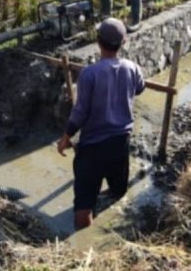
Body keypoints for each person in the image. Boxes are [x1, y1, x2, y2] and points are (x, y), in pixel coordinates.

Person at [57, 18, 146, 229]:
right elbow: (140, 88)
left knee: (83, 206)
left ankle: (83, 245)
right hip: (120, 144)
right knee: (118, 192)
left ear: (98, 42)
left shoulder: (90, 74)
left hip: (92, 148)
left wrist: (65, 139)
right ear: (123, 43)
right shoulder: (132, 68)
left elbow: (80, 113)